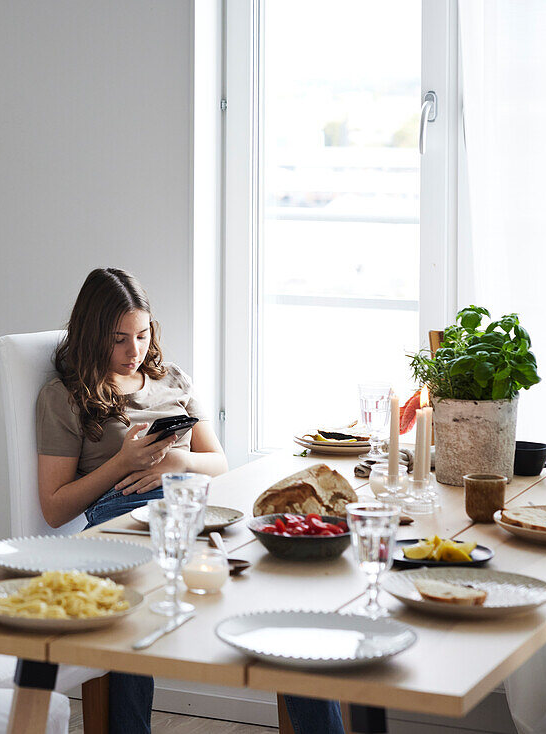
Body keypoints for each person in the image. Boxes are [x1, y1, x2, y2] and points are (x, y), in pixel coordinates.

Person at [35, 267, 343, 734]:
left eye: (142, 335)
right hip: (125, 530)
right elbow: (55, 507)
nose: (133, 351)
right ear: (90, 334)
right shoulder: (64, 397)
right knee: (130, 610)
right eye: (118, 339)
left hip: (203, 516)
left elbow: (218, 462)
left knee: (291, 606)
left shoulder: (171, 379)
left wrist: (176, 462)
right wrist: (122, 463)